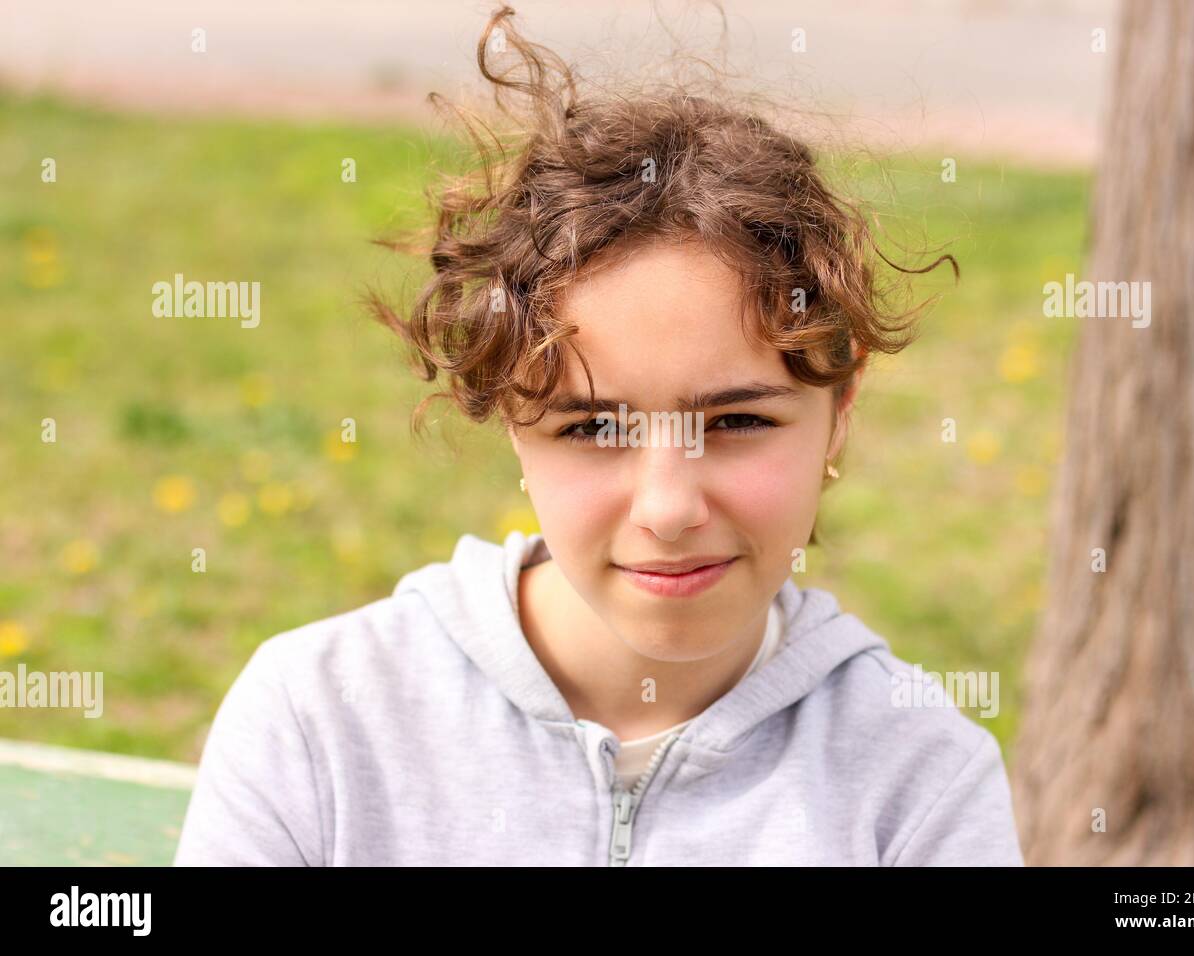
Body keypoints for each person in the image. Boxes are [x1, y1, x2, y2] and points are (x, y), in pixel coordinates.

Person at [173, 4, 1023, 866]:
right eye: (594, 427)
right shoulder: (321, 721)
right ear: (512, 420)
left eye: (735, 421)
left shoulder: (920, 782)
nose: (667, 507)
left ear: (839, 414)